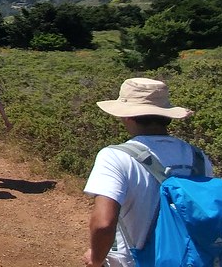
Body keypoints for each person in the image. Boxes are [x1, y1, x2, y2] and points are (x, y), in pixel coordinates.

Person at [81, 78, 212, 267]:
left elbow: (103, 224)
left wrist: (96, 259)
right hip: (190, 261)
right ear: (166, 116)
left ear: (126, 116)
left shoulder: (115, 156)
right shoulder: (198, 157)